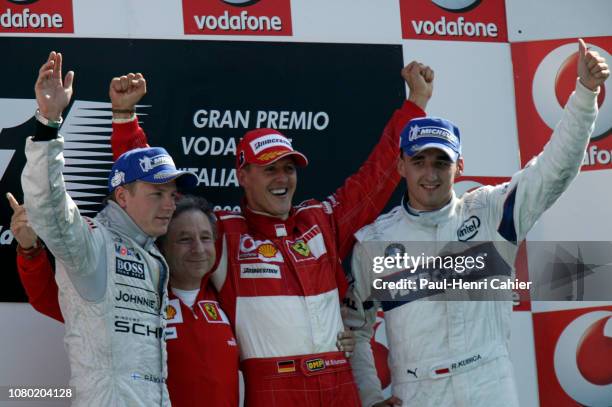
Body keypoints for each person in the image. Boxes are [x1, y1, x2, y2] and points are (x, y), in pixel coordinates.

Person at [109, 61, 434, 406]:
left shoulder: (321, 220)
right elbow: (150, 193)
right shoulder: (224, 232)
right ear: (243, 176)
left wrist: (415, 104)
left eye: (288, 168)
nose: (282, 178)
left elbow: (375, 179)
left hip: (338, 381)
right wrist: (126, 119)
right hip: (273, 387)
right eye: (269, 170)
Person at [346, 39, 609, 407]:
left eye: (441, 163)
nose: (430, 174)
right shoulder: (375, 240)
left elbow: (555, 169)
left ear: (460, 167)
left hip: (488, 384)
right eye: (419, 162)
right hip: (417, 393)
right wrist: (371, 397)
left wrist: (584, 94)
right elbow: (354, 331)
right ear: (401, 166)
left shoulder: (491, 211)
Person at [21, 51, 198, 406]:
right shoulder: (93, 243)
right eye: (158, 194)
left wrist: (126, 116)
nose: (170, 204)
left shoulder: (149, 253)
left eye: (173, 194)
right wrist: (49, 121)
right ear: (122, 195)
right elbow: (48, 205)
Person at [9, 192, 240, 407]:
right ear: (161, 247)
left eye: (206, 237)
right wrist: (30, 249)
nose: (198, 249)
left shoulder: (229, 298)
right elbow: (47, 299)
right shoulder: (132, 299)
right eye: (184, 239)